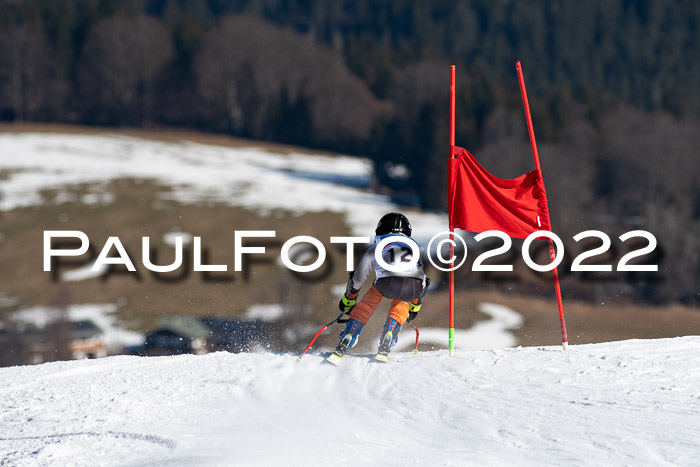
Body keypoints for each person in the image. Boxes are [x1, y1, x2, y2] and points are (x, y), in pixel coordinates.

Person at [334, 212, 430, 361]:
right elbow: (422, 279)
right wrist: (414, 307)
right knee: (403, 299)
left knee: (371, 299)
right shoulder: (415, 247)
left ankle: (350, 333)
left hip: (386, 283)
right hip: (414, 286)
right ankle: (389, 334)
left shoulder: (379, 244)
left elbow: (359, 276)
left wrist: (349, 298)